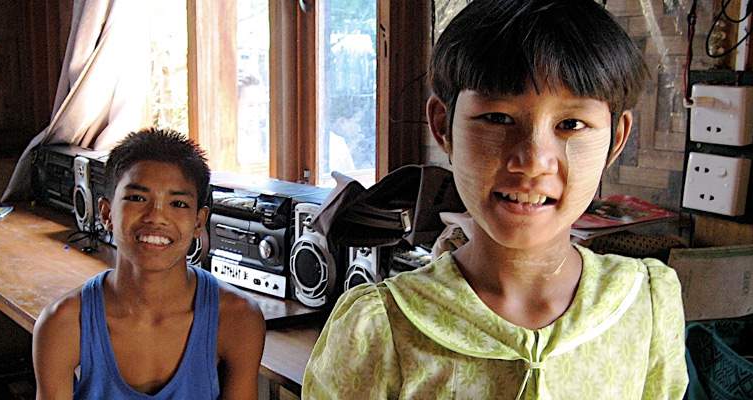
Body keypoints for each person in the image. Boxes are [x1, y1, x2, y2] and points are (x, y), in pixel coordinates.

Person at [302, 0, 688, 399]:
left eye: (570, 124)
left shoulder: (645, 304)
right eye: (498, 118)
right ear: (443, 126)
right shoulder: (381, 328)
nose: (532, 161)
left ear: (616, 139)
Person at [33, 128, 266, 399]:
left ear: (199, 223)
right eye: (137, 198)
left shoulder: (238, 318)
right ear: (106, 213)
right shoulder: (63, 322)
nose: (157, 217)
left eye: (177, 203)